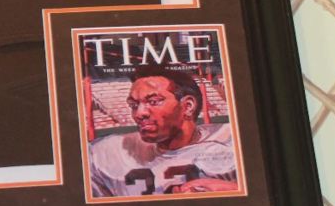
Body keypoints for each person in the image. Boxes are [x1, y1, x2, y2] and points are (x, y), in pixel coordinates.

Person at [87, 65, 238, 198]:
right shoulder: (104, 153)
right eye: (133, 105)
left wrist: (231, 190)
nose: (139, 113)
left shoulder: (233, 143)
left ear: (187, 106)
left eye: (153, 102)